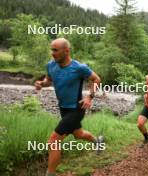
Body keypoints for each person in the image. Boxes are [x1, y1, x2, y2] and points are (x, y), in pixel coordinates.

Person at [34, 38, 103, 176]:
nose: (52, 53)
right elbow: (49, 80)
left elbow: (96, 79)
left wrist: (89, 96)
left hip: (77, 108)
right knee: (78, 134)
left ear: (66, 51)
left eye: (55, 50)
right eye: (51, 49)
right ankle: (98, 141)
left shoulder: (79, 68)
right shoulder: (51, 65)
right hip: (63, 108)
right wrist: (42, 83)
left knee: (53, 140)